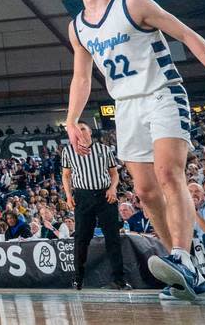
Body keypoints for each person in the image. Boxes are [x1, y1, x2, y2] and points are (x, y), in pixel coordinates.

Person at [65, 0, 205, 301]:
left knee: (168, 173)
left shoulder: (133, 4)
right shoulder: (77, 27)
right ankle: (183, 271)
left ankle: (181, 257)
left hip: (163, 93)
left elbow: (188, 35)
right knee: (145, 192)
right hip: (125, 106)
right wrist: (70, 121)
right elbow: (82, 78)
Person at [60, 121, 128, 290]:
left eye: (83, 128)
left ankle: (119, 279)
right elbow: (66, 176)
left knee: (112, 237)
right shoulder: (68, 151)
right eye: (77, 129)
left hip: (105, 195)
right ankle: (78, 278)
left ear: (90, 132)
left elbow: (114, 174)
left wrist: (113, 188)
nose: (80, 131)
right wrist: (68, 196)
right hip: (83, 196)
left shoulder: (104, 150)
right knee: (81, 239)